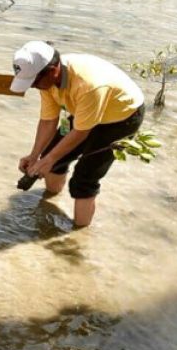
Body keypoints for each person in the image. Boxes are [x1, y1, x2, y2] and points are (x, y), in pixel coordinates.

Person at [10, 40, 145, 228]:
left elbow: (81, 132)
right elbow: (49, 120)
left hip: (120, 117)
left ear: (52, 70)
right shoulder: (46, 81)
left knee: (84, 179)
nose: (33, 87)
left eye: (33, 82)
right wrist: (35, 157)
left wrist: (47, 160)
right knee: (52, 157)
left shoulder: (88, 84)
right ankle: (49, 201)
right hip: (86, 112)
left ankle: (78, 234)